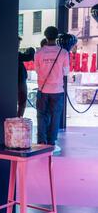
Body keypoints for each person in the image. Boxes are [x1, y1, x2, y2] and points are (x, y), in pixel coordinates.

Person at [34, 26, 69, 154]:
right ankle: (51, 142)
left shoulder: (39, 53)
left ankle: (42, 141)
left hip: (42, 89)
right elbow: (66, 72)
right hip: (57, 90)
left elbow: (37, 70)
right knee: (55, 116)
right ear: (57, 37)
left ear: (45, 36)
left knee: (42, 115)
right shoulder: (63, 53)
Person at [17, 37, 35, 117]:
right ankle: (18, 119)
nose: (18, 45)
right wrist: (31, 50)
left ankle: (17, 119)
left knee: (21, 102)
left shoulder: (14, 54)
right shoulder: (16, 54)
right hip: (20, 81)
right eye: (18, 43)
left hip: (19, 81)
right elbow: (29, 57)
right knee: (22, 102)